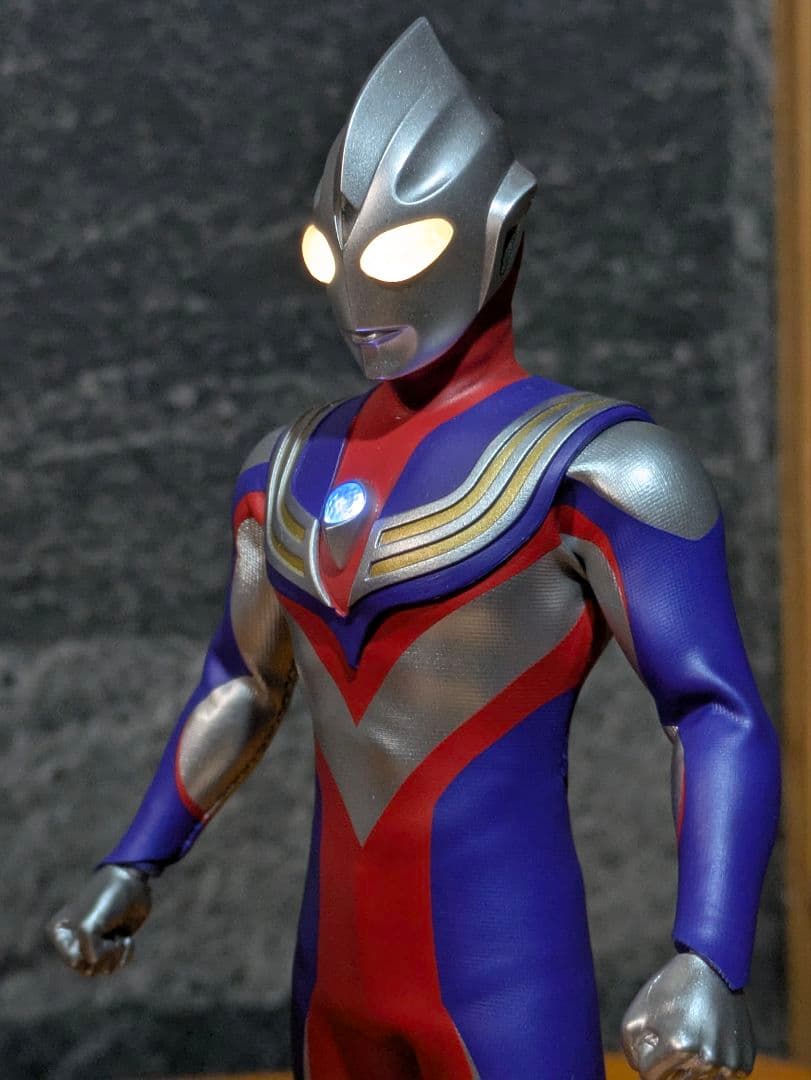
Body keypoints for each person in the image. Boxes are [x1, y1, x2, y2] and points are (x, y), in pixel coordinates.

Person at [49, 19, 780, 1080]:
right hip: (333, 977)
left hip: (503, 973)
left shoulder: (602, 469)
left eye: (399, 250)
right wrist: (137, 859)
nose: (358, 293)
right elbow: (243, 683)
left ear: (497, 231)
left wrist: (709, 955)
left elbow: (713, 710)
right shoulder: (285, 469)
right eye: (329, 254)